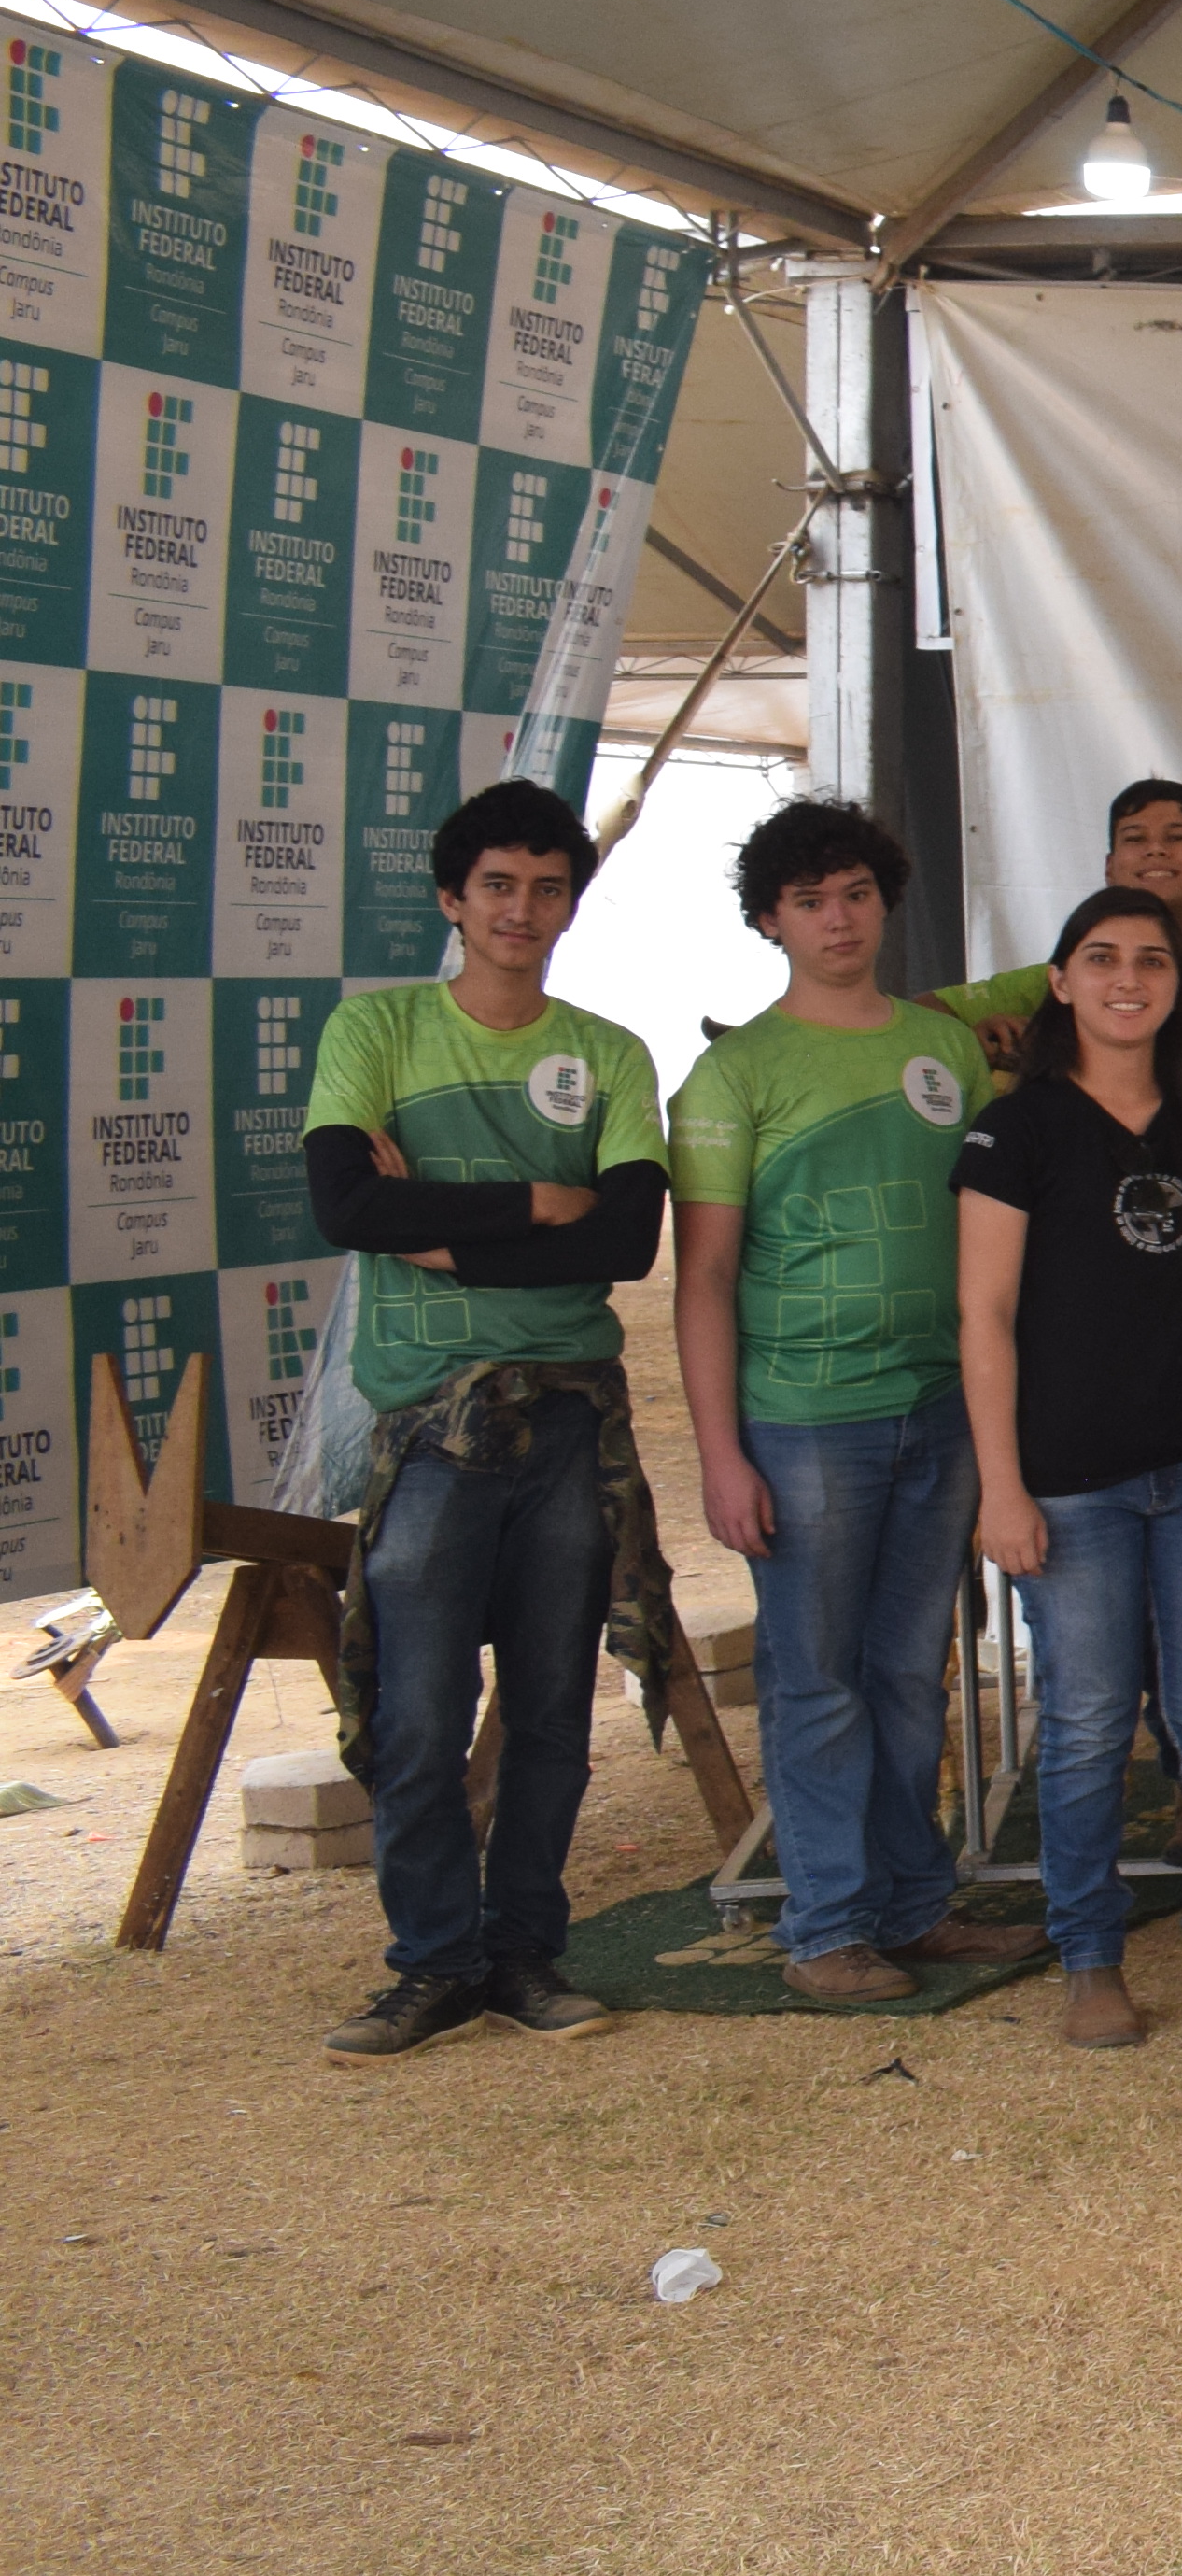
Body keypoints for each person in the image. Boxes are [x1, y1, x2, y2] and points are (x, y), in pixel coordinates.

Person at [301, 781, 676, 2062]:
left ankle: (525, 1953)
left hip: (571, 1421)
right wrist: (538, 1202)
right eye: (498, 886)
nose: (523, 910)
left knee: (554, 1711)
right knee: (415, 1715)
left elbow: (627, 1243)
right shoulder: (377, 1032)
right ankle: (432, 1964)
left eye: (548, 886)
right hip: (427, 1431)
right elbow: (349, 1209)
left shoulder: (612, 1052)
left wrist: (452, 1240)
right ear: (452, 898)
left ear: (574, 900)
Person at [671, 794, 1027, 2002]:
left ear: (886, 901)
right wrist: (721, 1456)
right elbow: (705, 1276)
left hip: (937, 1409)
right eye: (811, 900)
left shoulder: (946, 1049)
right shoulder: (733, 1072)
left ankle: (911, 1909)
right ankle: (825, 1930)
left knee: (910, 1671)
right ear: (770, 919)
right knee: (814, 1678)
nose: (839, 918)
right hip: (804, 1419)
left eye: (858, 894)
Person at [955, 885, 1182, 2051]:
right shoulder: (1021, 1129)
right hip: (1069, 1482)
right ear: (1059, 982)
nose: (1129, 979)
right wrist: (1000, 1487)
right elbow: (986, 1315)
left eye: (1152, 960)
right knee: (1088, 1722)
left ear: (1181, 980)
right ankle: (1090, 1957)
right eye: (1100, 959)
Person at [933, 775, 1182, 1068]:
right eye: (1135, 838)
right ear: (1109, 869)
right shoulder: (1072, 974)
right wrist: (972, 1040)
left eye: (1177, 837)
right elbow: (924, 1011)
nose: (1156, 850)